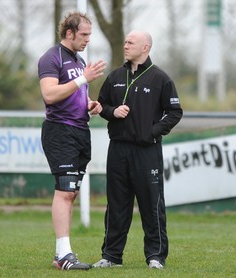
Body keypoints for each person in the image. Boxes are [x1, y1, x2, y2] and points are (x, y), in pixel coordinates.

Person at [92, 30, 183, 270]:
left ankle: (155, 256)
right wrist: (112, 112)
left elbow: (175, 112)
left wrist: (153, 131)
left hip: (147, 152)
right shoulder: (114, 77)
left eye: (131, 42)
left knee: (151, 204)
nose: (125, 45)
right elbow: (102, 106)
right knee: (116, 204)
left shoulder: (160, 79)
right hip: (118, 150)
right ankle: (111, 256)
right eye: (125, 41)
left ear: (145, 47)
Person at [37, 12, 106, 271]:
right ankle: (64, 255)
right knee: (64, 192)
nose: (88, 39)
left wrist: (89, 105)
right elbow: (50, 94)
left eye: (89, 34)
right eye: (84, 34)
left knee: (71, 192)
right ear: (69, 33)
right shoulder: (51, 57)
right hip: (60, 132)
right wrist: (83, 79)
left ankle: (60, 254)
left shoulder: (78, 60)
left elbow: (74, 96)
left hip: (80, 131)